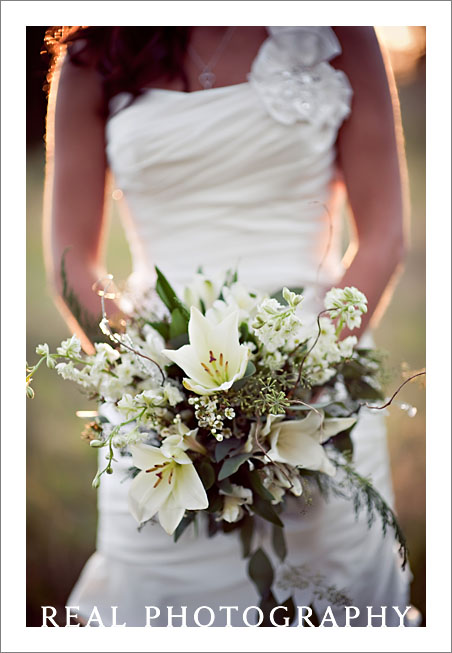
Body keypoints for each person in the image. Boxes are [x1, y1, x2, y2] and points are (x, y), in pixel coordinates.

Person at [43, 26, 417, 627]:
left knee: (330, 598)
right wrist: (150, 379)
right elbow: (70, 258)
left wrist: (308, 369)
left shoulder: (341, 29)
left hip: (315, 383)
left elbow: (383, 236)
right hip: (158, 390)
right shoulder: (95, 54)